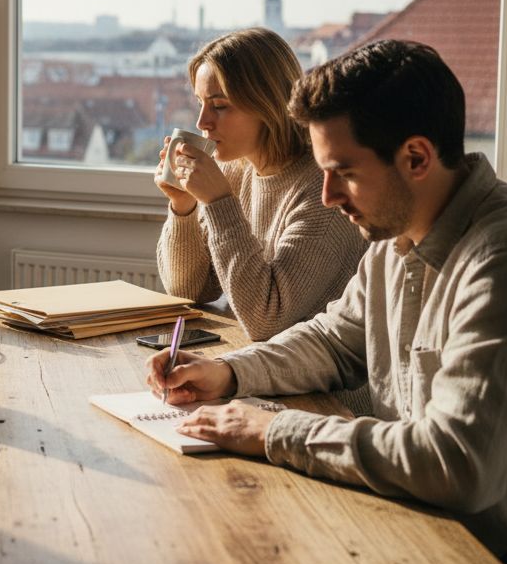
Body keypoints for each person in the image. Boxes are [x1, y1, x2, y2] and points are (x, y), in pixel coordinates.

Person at [146, 39, 507, 564]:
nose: (326, 196)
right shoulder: (395, 236)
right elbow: (333, 340)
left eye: (343, 172)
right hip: (426, 533)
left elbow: (456, 465)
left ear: (417, 158)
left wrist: (271, 430)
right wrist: (227, 373)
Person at [155, 27, 365, 343]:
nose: (202, 122)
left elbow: (266, 320)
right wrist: (183, 206)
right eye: (200, 102)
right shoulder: (235, 170)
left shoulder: (325, 190)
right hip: (253, 366)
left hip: (323, 389)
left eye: (220, 105)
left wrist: (218, 202)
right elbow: (189, 289)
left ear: (267, 103)